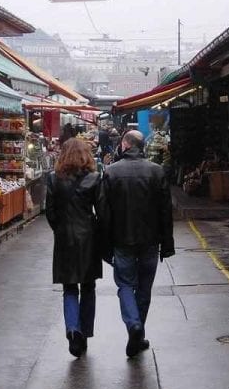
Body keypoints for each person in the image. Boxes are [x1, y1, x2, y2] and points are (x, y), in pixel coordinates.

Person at [97, 130, 175, 357]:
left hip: (121, 241)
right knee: (144, 288)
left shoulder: (111, 172)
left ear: (125, 145)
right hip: (150, 242)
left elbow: (103, 213)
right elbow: (165, 212)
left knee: (124, 285)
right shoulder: (156, 171)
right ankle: (138, 331)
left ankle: (133, 325)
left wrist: (105, 244)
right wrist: (167, 243)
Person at [45, 138, 103, 358]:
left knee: (69, 288)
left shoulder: (53, 179)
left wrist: (60, 230)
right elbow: (101, 210)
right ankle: (85, 332)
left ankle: (72, 328)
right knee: (88, 287)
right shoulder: (94, 179)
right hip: (88, 238)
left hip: (64, 239)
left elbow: (50, 211)